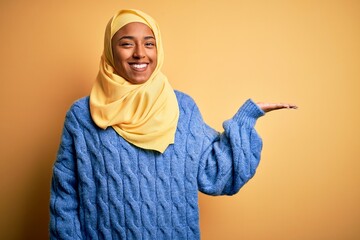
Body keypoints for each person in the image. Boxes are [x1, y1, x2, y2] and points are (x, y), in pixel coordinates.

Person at [49, 9, 297, 240]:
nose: (139, 53)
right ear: (110, 51)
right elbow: (65, 198)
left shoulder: (182, 108)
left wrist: (246, 119)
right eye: (126, 43)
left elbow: (214, 174)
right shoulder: (82, 116)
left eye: (149, 43)